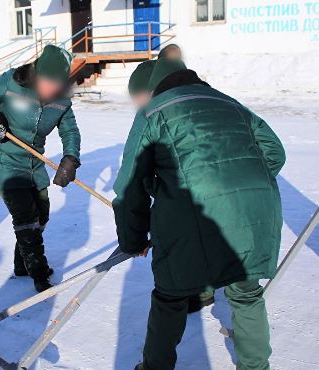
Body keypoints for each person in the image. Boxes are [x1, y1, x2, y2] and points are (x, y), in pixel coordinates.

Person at [114, 58, 285, 370]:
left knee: (170, 296)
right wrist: (239, 181)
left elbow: (129, 185)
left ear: (152, 90)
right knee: (246, 294)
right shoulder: (228, 102)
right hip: (257, 211)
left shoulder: (153, 111)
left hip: (192, 213)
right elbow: (274, 152)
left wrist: (133, 238)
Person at [0, 45, 81, 293]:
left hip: (33, 162)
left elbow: (70, 131)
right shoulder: (12, 82)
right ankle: (38, 272)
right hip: (3, 158)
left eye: (57, 83)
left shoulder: (61, 100)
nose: (51, 88)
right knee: (26, 217)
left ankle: (22, 264)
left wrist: (70, 158)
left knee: (42, 214)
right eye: (47, 81)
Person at [127, 59, 216, 314]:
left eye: (138, 97)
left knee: (183, 232)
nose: (137, 104)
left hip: (191, 192)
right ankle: (205, 290)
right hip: (221, 191)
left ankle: (183, 295)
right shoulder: (213, 99)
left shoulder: (156, 112)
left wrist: (135, 235)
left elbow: (131, 180)